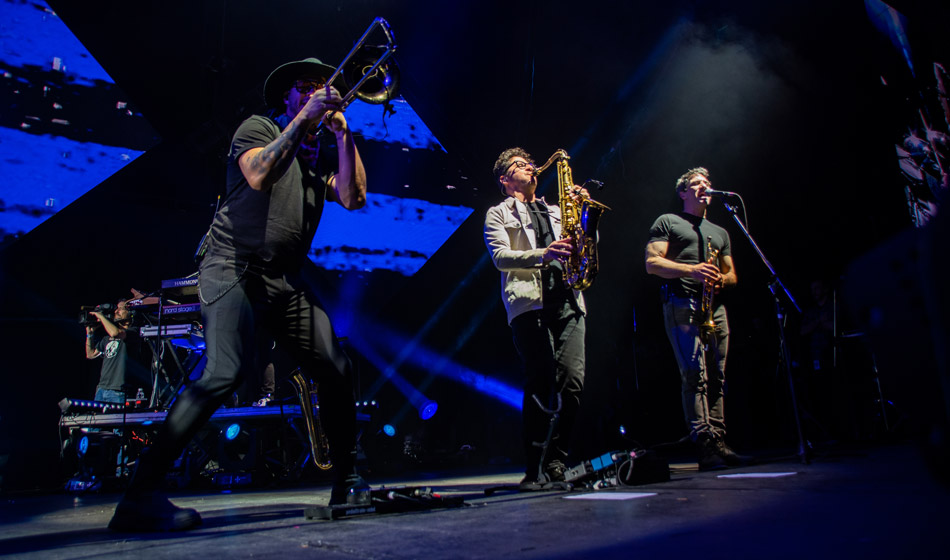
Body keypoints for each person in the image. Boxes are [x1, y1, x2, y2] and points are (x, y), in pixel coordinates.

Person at [109, 57, 369, 531]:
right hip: (232, 265)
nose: (320, 91)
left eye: (323, 87)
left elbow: (353, 197)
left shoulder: (313, 162)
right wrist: (304, 120)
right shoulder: (259, 128)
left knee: (335, 365)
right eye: (307, 87)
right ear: (288, 98)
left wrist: (342, 135)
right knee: (223, 373)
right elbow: (258, 175)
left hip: (282, 280)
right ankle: (139, 496)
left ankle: (347, 479)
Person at [483, 147, 587, 489]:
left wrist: (584, 215)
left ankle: (557, 461)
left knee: (572, 382)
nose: (529, 166)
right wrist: (545, 253)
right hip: (529, 305)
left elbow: (584, 247)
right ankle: (534, 467)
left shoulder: (557, 210)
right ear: (505, 179)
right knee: (540, 382)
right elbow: (500, 257)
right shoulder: (497, 213)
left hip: (569, 301)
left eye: (529, 162)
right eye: (519, 164)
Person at [645, 167, 749, 470]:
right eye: (697, 183)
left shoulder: (720, 231)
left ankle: (719, 440)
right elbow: (652, 263)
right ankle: (703, 443)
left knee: (718, 375)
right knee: (695, 375)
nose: (705, 186)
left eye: (708, 183)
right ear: (683, 192)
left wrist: (721, 280)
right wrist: (693, 270)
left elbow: (732, 275)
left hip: (714, 307)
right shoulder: (669, 221)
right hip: (681, 302)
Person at [85, 300, 142, 404]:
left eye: (121, 309)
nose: (116, 311)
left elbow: (116, 333)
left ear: (131, 314)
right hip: (101, 389)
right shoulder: (107, 338)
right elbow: (90, 354)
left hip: (119, 391)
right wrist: (90, 335)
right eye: (116, 309)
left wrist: (101, 317)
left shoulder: (134, 332)